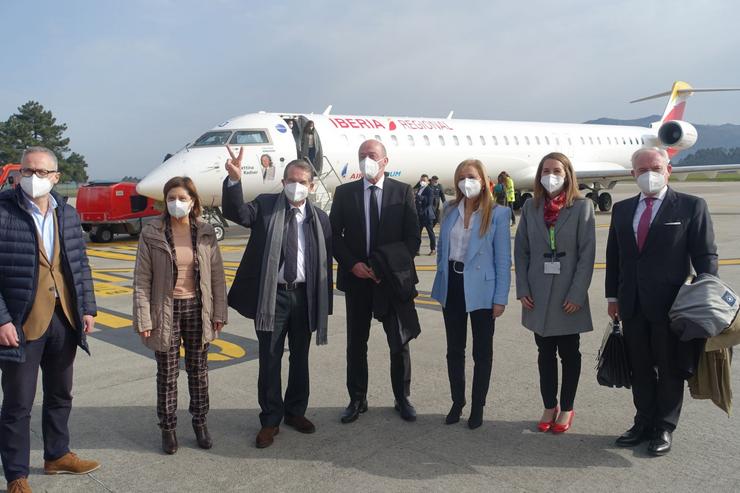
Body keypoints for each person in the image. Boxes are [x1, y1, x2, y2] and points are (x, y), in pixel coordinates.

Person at [606, 147, 718, 456]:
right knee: (639, 367)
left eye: (655, 167)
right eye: (642, 170)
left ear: (668, 169)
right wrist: (612, 296)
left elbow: (705, 255)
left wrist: (708, 295)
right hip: (632, 303)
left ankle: (664, 426)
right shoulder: (622, 209)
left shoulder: (690, 206)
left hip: (673, 305)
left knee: (670, 368)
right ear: (633, 175)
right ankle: (642, 421)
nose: (649, 174)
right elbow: (614, 257)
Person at [0, 147, 99, 492]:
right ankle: (17, 475)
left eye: (42, 173)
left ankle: (56, 454)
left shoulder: (67, 214)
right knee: (17, 403)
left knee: (61, 393)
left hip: (64, 318)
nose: (33, 178)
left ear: (56, 177)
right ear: (16, 174)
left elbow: (80, 264)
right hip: (21, 322)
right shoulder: (3, 211)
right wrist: (1, 320)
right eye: (27, 171)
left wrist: (87, 307)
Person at [222, 149, 333, 449]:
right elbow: (237, 213)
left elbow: (325, 265)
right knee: (270, 359)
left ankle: (296, 412)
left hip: (304, 297)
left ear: (312, 186)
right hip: (273, 297)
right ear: (283, 182)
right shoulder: (266, 205)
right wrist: (233, 181)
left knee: (300, 357)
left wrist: (325, 303)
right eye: (291, 181)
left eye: (302, 182)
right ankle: (270, 419)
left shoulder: (320, 218)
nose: (296, 186)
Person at [133, 176, 227, 454]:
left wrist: (218, 311)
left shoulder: (207, 232)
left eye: (182, 198)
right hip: (165, 310)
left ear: (193, 202)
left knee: (199, 372)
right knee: (167, 373)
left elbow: (218, 277)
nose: (177, 203)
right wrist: (143, 318)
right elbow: (141, 279)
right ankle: (168, 428)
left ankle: (200, 422)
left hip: (198, 309)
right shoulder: (152, 232)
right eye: (171, 198)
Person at [330, 139, 421, 424]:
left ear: (385, 161)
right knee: (356, 343)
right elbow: (334, 236)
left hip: (391, 281)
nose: (366, 160)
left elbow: (412, 239)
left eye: (371, 155)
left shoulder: (402, 192)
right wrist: (353, 264)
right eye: (361, 156)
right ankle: (357, 398)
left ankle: (401, 397)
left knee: (399, 341)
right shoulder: (345, 193)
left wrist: (385, 266)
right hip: (357, 280)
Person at [514, 152, 596, 435]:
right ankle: (549, 405)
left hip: (567, 293)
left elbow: (587, 255)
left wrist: (577, 293)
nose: (551, 175)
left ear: (568, 174)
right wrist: (522, 288)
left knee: (569, 352)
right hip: (537, 291)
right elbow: (521, 251)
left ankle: (568, 407)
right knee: (544, 352)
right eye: (546, 170)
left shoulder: (582, 207)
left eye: (557, 170)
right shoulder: (530, 207)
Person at [431, 159, 511, 429]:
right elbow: (442, 249)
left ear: (483, 179)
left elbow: (503, 260)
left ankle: (478, 405)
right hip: (452, 283)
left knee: (482, 352)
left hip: (483, 288)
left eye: (472, 176)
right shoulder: (450, 209)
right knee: (454, 349)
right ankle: (458, 401)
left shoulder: (497, 213)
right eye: (462, 177)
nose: (467, 182)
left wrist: (500, 297)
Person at [415, 174, 436, 255]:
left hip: (427, 215)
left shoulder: (429, 190)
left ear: (428, 181)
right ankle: (417, 250)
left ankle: (433, 249)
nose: (422, 182)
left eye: (424, 180)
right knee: (418, 234)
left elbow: (429, 202)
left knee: (430, 233)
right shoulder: (420, 188)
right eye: (421, 180)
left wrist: (420, 197)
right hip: (420, 215)